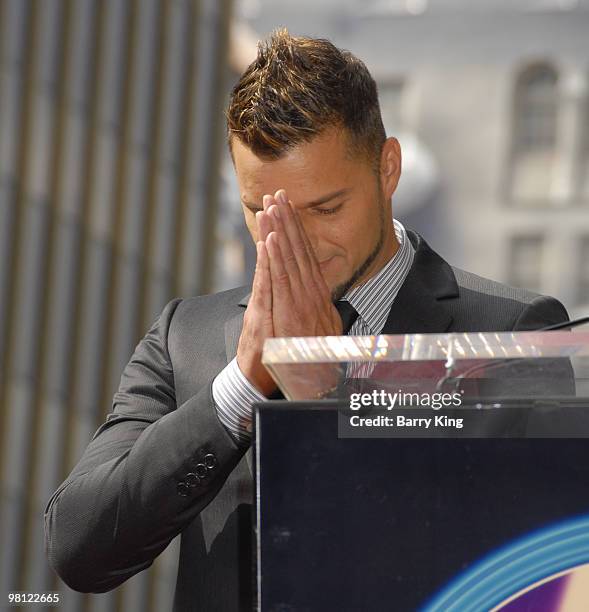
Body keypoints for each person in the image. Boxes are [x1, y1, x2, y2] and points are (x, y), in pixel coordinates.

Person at [44, 29, 569, 611]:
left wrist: (325, 396)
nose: (299, 242)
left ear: (388, 169)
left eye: (326, 209)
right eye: (261, 212)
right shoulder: (184, 337)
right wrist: (241, 387)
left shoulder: (514, 335)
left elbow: (516, 573)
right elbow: (79, 549)